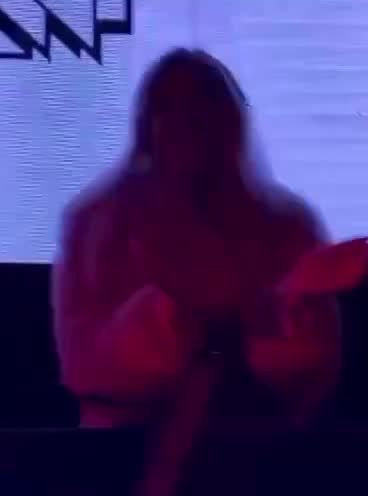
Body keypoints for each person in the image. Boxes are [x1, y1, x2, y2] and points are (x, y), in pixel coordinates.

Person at [52, 48, 342, 429]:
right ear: (149, 126)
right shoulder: (96, 222)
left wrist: (276, 327)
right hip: (125, 445)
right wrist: (172, 314)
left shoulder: (288, 224)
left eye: (201, 117)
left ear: (230, 126)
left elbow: (317, 363)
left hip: (256, 443)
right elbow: (85, 365)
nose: (187, 132)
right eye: (171, 114)